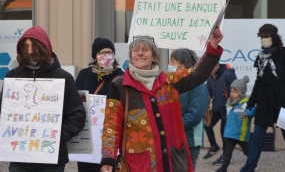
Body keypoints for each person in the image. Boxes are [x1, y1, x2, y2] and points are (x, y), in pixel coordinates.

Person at [99, 27, 224, 172]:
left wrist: (213, 45)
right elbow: (111, 126)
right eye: (135, 50)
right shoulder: (120, 85)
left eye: (145, 50)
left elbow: (198, 73)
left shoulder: (168, 81)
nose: (140, 53)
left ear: (154, 57)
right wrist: (108, 159)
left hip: (171, 162)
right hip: (139, 165)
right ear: (131, 56)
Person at [0, 25, 86, 172]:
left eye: (34, 46)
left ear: (44, 47)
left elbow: (77, 116)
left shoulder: (63, 77)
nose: (30, 51)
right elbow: (3, 114)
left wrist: (56, 137)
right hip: (20, 161)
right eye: (26, 46)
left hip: (51, 162)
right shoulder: (12, 77)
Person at [240, 24, 285, 172]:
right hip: (264, 100)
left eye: (266, 36)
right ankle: (249, 168)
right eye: (262, 37)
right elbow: (258, 81)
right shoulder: (260, 56)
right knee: (257, 137)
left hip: (283, 98)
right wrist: (250, 103)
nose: (264, 40)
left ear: (274, 37)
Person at [75, 38, 124, 172]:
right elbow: (76, 97)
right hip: (87, 137)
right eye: (102, 53)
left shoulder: (120, 77)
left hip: (108, 135)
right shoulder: (84, 75)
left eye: (109, 52)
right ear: (95, 57)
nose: (106, 56)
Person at [169, 48, 209, 171]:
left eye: (174, 63)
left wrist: (172, 127)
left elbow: (195, 115)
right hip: (171, 138)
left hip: (189, 140)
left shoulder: (198, 85)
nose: (171, 66)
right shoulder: (171, 82)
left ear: (185, 64)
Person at [214, 76, 256, 172]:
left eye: (235, 92)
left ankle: (253, 164)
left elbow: (253, 111)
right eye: (232, 91)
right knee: (227, 151)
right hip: (230, 132)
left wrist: (246, 113)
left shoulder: (245, 103)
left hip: (241, 133)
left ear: (241, 92)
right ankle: (223, 168)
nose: (232, 94)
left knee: (247, 151)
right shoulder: (229, 103)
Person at [204, 63, 237, 165]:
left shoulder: (228, 74)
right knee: (206, 122)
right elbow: (208, 91)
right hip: (217, 106)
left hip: (228, 108)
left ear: (217, 65)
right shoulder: (210, 76)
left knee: (224, 132)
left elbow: (237, 91)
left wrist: (230, 105)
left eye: (210, 67)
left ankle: (226, 156)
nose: (208, 70)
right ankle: (214, 146)